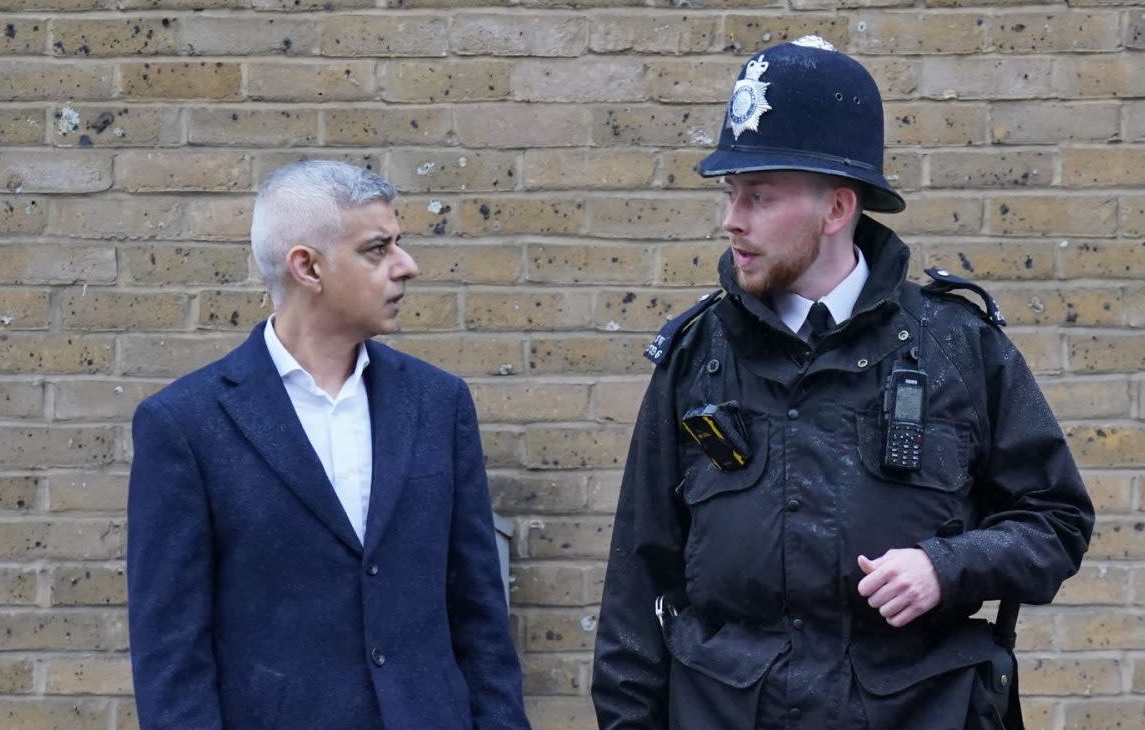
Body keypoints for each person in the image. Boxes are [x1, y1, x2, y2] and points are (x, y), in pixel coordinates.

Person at [591, 36, 1093, 730]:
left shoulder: (957, 349)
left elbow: (1056, 524)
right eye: (731, 194)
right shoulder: (697, 358)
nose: (732, 219)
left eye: (759, 196)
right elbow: (634, 588)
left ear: (835, 210)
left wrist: (947, 566)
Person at [127, 160, 531, 730]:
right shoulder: (186, 424)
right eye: (377, 249)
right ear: (307, 267)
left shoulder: (438, 403)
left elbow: (481, 618)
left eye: (401, 244)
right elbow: (170, 654)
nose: (406, 266)